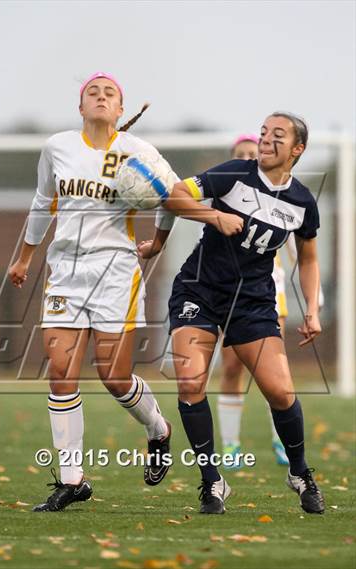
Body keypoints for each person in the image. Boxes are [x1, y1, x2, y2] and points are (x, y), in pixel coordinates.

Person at [140, 112, 325, 515]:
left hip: (253, 301)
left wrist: (311, 308)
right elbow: (174, 195)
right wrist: (213, 215)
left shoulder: (302, 202)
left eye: (278, 135)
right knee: (190, 383)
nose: (266, 139)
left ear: (297, 149)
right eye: (263, 132)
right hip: (199, 290)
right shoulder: (234, 173)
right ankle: (212, 483)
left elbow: (308, 260)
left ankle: (299, 473)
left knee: (280, 392)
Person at [8, 72, 172, 512]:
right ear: (80, 107)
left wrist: (157, 242)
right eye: (92, 93)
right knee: (60, 371)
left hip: (116, 270)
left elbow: (172, 196)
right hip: (64, 271)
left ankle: (158, 429)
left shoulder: (139, 153)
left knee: (112, 375)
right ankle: (72, 479)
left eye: (109, 93)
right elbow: (43, 203)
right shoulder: (57, 147)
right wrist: (24, 257)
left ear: (121, 109)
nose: (100, 98)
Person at [218, 134, 289, 468]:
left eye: (252, 152)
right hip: (230, 290)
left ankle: (282, 439)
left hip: (269, 291)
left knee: (274, 369)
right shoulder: (223, 193)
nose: (248, 157)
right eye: (240, 154)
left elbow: (297, 247)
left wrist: (313, 294)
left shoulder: (280, 195)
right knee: (231, 366)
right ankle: (230, 445)